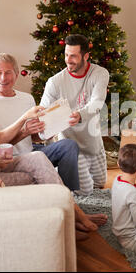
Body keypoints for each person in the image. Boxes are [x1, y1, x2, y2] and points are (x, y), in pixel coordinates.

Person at [0, 72, 104, 241]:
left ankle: (73, 214)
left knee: (38, 156)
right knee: (33, 177)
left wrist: (25, 118)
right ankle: (66, 224)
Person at [0, 53, 80, 192]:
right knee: (37, 155)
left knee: (69, 145)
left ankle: (70, 195)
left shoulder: (27, 99)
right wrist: (24, 132)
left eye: (8, 73)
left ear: (16, 75)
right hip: (7, 160)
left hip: (31, 152)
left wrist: (48, 131)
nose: (2, 78)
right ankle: (61, 195)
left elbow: (34, 137)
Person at [40, 34, 109, 196]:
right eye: (66, 54)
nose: (68, 59)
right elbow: (43, 109)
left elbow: (97, 103)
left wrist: (79, 114)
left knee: (99, 184)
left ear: (86, 56)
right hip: (70, 147)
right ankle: (63, 173)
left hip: (93, 141)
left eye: (73, 56)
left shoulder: (100, 73)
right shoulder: (55, 82)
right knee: (83, 192)